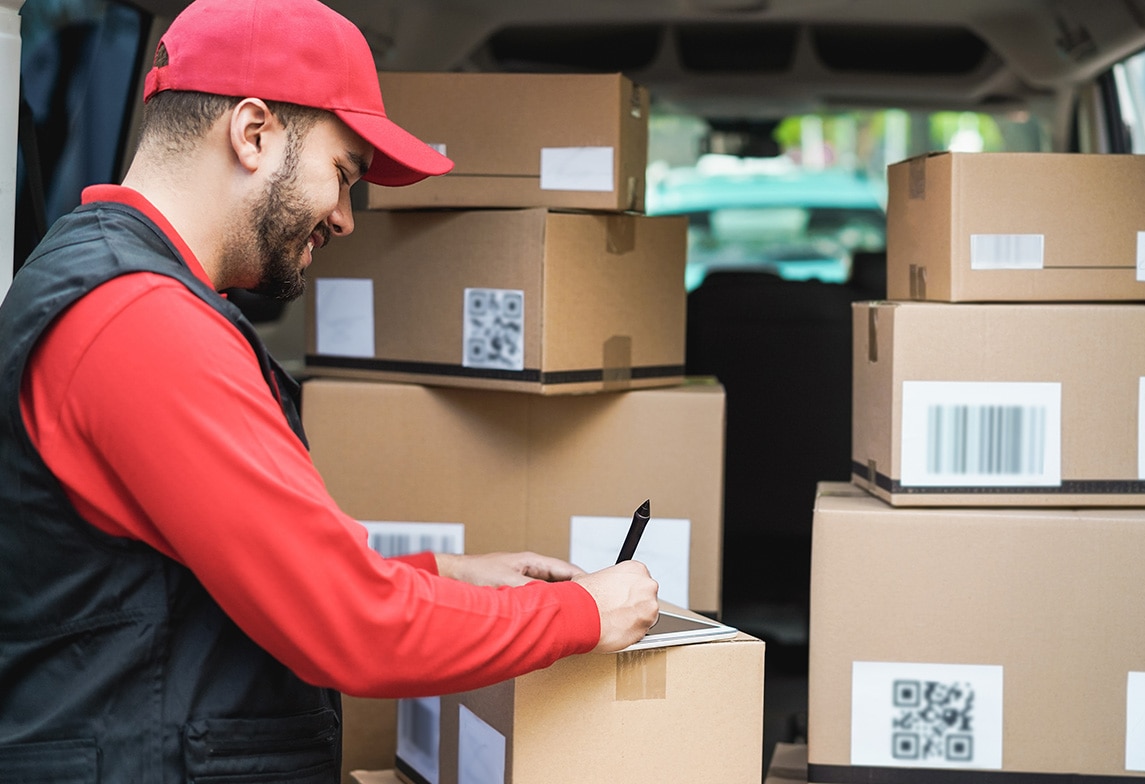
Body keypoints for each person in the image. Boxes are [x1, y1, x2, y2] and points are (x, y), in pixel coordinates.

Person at [0, 0, 660, 781]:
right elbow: (350, 626)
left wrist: (440, 576)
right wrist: (584, 614)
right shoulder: (141, 323)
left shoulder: (121, 292)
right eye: (343, 174)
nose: (346, 218)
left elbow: (211, 593)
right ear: (253, 134)